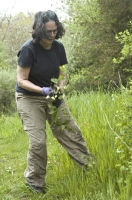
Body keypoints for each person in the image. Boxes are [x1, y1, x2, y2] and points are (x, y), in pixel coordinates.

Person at [15, 10, 92, 194]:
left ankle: (89, 168)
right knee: (38, 142)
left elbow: (62, 71)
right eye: (48, 31)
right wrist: (42, 90)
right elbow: (21, 79)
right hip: (29, 98)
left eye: (54, 31)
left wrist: (60, 86)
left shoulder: (59, 47)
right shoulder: (29, 49)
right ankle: (34, 181)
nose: (52, 35)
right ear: (40, 30)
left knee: (71, 132)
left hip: (53, 95)